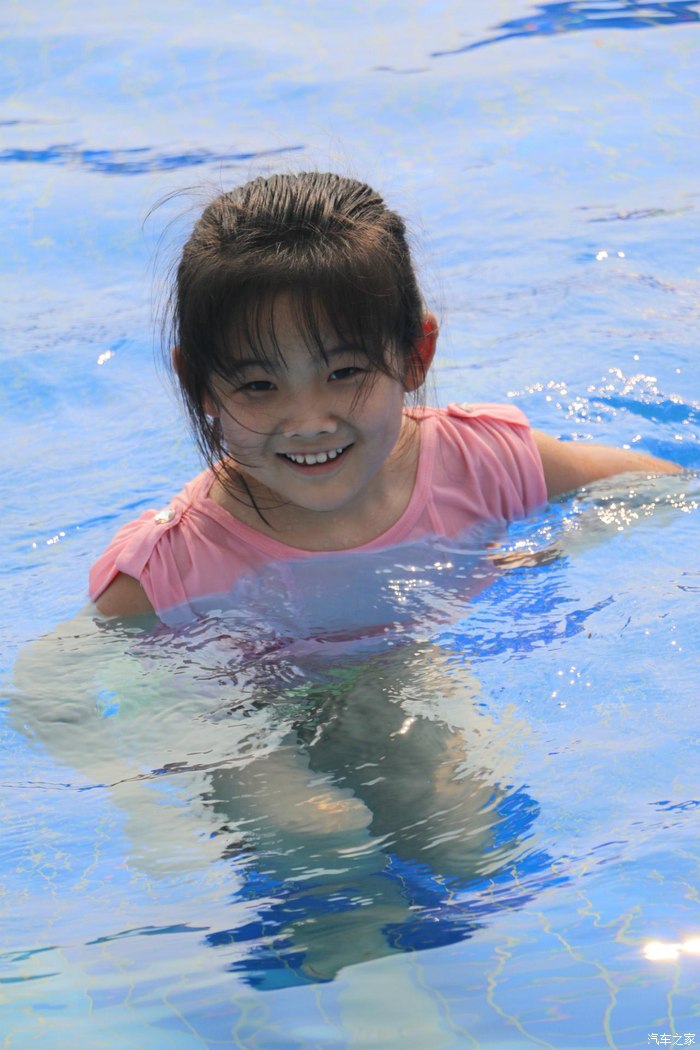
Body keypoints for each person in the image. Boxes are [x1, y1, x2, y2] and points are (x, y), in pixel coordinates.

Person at [90, 171, 680, 623]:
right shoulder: (169, 573)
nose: (309, 422)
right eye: (259, 385)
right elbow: (62, 699)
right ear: (200, 385)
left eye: (344, 372)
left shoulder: (481, 466)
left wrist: (555, 546)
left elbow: (663, 486)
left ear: (415, 355)